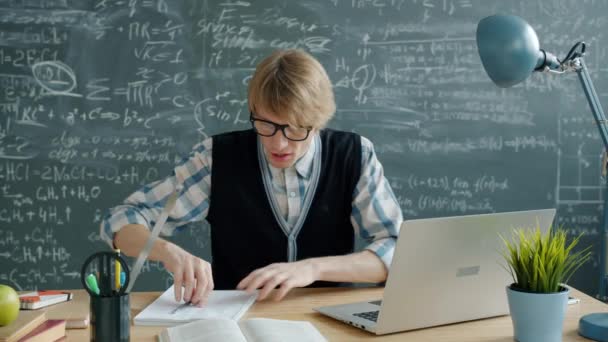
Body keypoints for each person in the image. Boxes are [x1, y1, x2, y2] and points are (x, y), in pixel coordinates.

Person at [100, 49, 403, 307]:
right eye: (265, 124)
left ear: (319, 121)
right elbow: (121, 221)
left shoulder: (354, 155)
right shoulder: (217, 158)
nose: (278, 143)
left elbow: (396, 248)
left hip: (327, 319)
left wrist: (312, 269)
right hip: (237, 320)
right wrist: (166, 251)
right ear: (253, 112)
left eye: (295, 129)